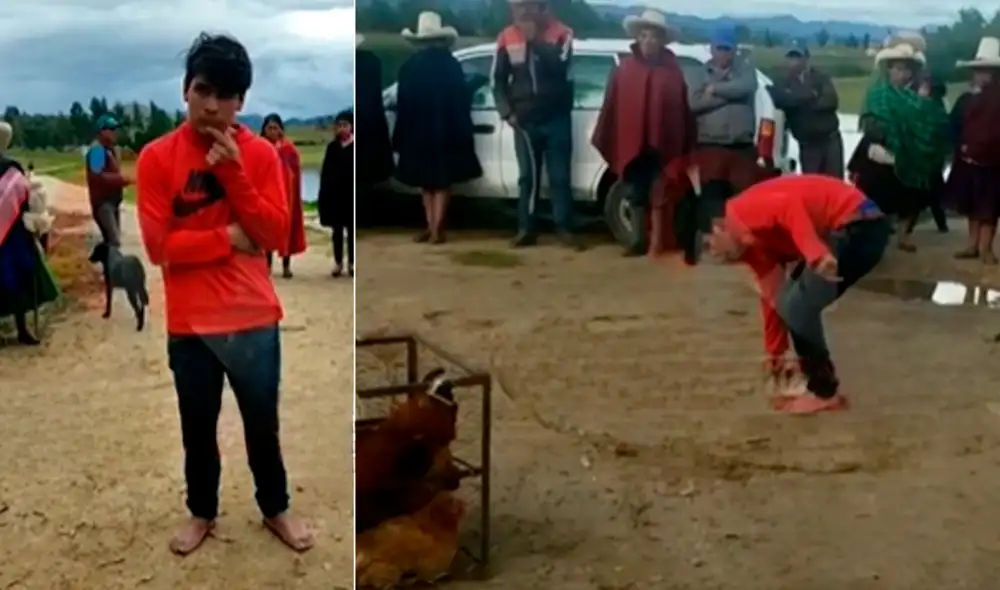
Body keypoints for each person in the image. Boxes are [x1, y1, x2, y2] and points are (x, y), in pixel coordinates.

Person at [135, 33, 312, 556]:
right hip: (190, 324)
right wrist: (229, 239)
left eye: (225, 95)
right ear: (186, 88)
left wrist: (232, 171)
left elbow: (277, 236)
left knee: (263, 423)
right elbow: (158, 246)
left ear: (242, 102)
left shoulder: (260, 156)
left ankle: (275, 506)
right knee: (197, 427)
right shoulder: (156, 158)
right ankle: (202, 511)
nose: (210, 105)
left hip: (253, 317)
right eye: (202, 89)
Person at [703, 174, 890, 415]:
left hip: (860, 225)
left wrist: (816, 254)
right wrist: (775, 352)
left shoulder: (743, 210)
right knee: (792, 305)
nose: (714, 256)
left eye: (710, 245)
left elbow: (789, 206)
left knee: (799, 309)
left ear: (720, 226)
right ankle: (819, 387)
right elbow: (774, 296)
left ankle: (824, 393)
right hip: (845, 231)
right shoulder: (748, 247)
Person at [592, 9, 695, 257]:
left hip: (662, 145)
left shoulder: (672, 71)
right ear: (638, 37)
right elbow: (613, 106)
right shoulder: (625, 69)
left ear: (661, 40)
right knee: (635, 193)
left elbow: (680, 109)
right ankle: (637, 240)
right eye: (645, 35)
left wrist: (681, 142)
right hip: (633, 143)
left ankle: (659, 242)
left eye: (654, 37)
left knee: (661, 193)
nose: (649, 41)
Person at [492, 0, 582, 250]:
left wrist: (536, 42)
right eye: (516, 7)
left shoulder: (562, 33)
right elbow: (498, 80)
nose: (520, 12)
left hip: (557, 118)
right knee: (527, 178)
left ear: (539, 7)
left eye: (525, 6)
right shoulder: (506, 37)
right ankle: (525, 229)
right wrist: (506, 112)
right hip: (524, 120)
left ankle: (564, 228)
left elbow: (562, 66)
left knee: (560, 177)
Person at [847, 35, 949, 253]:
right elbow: (869, 120)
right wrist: (882, 139)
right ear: (888, 70)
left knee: (910, 198)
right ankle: (869, 235)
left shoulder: (917, 98)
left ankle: (904, 236)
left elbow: (931, 123)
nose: (902, 74)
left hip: (910, 156)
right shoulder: (877, 95)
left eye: (907, 70)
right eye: (898, 69)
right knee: (874, 194)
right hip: (880, 151)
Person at [394, 11, 482, 245]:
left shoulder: (409, 66)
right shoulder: (451, 65)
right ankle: (436, 229)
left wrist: (401, 136)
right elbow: (460, 100)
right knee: (441, 182)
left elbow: (402, 103)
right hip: (445, 132)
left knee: (426, 183)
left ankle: (430, 226)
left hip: (417, 134)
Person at [683, 25, 759, 264]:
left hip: (741, 145)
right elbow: (694, 103)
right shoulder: (697, 72)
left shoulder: (746, 71)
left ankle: (740, 245)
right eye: (719, 48)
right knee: (712, 199)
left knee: (744, 199)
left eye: (728, 48)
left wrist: (715, 90)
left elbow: (747, 87)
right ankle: (718, 246)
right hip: (710, 144)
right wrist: (731, 95)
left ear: (735, 50)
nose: (723, 53)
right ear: (711, 48)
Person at [0, 122, 59, 346]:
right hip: (13, 236)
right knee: (19, 278)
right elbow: (28, 202)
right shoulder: (14, 169)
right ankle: (22, 329)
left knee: (13, 278)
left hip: (13, 235)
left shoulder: (13, 169)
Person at [945, 36, 1000, 264]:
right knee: (970, 203)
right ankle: (972, 245)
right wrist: (960, 147)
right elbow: (954, 126)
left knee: (990, 206)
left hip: (995, 161)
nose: (981, 75)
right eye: (978, 71)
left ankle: (987, 248)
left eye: (986, 71)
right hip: (967, 158)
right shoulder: (966, 100)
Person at [768, 42, 843, 178]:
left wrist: (799, 100)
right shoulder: (782, 81)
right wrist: (811, 96)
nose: (793, 61)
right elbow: (782, 100)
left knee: (835, 183)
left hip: (830, 141)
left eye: (797, 57)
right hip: (808, 145)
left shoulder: (820, 77)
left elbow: (831, 101)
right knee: (812, 185)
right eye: (791, 57)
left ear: (806, 58)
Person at [260, 113, 307, 278]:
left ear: (281, 130)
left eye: (275, 128)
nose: (272, 131)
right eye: (269, 128)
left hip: (287, 196)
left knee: (286, 231)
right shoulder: (260, 148)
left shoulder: (289, 149)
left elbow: (295, 174)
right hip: (266, 197)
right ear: (264, 131)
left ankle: (286, 266)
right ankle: (267, 266)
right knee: (267, 232)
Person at [355, 34, 394, 223]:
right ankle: (367, 214)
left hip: (359, 123)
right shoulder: (372, 62)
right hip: (372, 122)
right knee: (367, 177)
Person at [86, 114, 132, 248]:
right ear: (101, 131)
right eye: (111, 129)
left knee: (111, 241)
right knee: (114, 241)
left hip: (112, 202)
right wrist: (121, 179)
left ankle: (107, 267)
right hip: (103, 204)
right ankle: (110, 267)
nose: (115, 132)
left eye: (115, 129)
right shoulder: (97, 150)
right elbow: (97, 177)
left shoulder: (110, 150)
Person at [318, 110, 355, 277]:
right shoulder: (332, 148)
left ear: (352, 127)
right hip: (335, 196)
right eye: (339, 125)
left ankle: (352, 263)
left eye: (345, 125)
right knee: (337, 232)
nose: (342, 128)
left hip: (351, 196)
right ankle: (338, 262)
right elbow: (326, 173)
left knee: (352, 231)